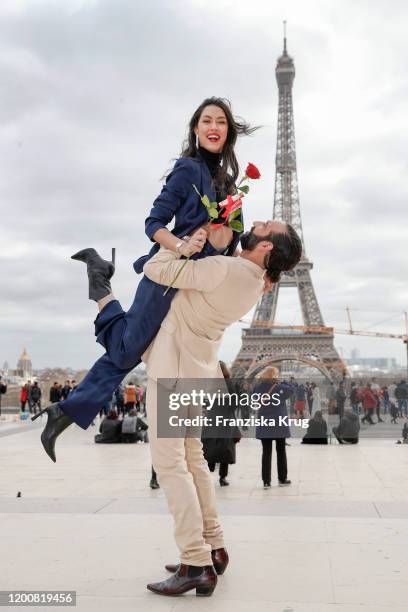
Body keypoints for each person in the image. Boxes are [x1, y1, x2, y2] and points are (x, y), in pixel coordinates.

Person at [33, 97, 255, 461]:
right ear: (197, 130)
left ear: (229, 132)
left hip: (196, 283)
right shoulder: (187, 170)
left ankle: (99, 282)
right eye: (206, 121)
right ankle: (99, 284)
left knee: (129, 350)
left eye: (221, 122)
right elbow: (153, 225)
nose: (214, 127)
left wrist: (218, 235)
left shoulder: (233, 189)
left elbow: (229, 243)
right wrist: (183, 243)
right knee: (127, 349)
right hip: (167, 275)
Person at [140, 219, 302, 596]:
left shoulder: (225, 268)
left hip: (173, 372)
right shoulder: (253, 281)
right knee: (192, 459)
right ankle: (213, 546)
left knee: (170, 464)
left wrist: (185, 242)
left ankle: (195, 561)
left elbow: (154, 269)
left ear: (265, 248)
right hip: (200, 371)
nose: (256, 222)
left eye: (264, 225)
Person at [202, 362, 240, 487]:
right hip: (226, 417)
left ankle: (208, 470)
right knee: (226, 447)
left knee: (209, 445)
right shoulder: (229, 383)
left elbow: (205, 401)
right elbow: (234, 402)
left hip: (212, 417)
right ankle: (222, 477)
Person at [254, 366, 293, 489]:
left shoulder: (258, 388)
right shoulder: (280, 387)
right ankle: (282, 479)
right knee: (281, 451)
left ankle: (266, 481)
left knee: (266, 453)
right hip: (279, 424)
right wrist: (282, 381)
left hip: (265, 423)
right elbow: (291, 390)